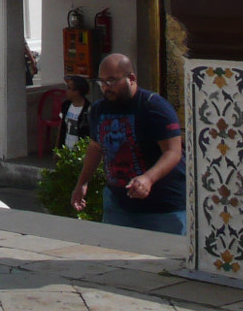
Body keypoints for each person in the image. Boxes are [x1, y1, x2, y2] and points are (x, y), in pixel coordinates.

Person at [70, 54, 186, 235]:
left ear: (131, 79)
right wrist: (82, 183)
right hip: (118, 206)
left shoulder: (154, 107)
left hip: (163, 208)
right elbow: (95, 148)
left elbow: (173, 152)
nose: (106, 88)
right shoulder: (99, 110)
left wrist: (148, 178)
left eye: (112, 81)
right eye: (102, 82)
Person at [59, 75, 94, 149]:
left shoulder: (88, 109)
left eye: (69, 88)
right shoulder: (66, 105)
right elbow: (61, 127)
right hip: (66, 149)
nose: (67, 91)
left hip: (80, 151)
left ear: (77, 91)